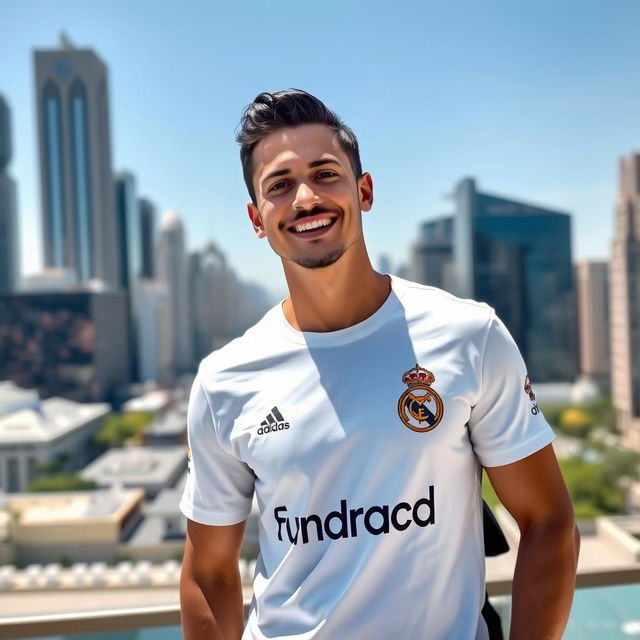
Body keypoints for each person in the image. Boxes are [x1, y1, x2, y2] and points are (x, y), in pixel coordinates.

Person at [179, 89, 579, 640]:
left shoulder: (469, 334)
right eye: (279, 185)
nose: (305, 197)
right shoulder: (225, 380)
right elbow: (208, 572)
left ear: (363, 190)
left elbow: (549, 522)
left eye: (325, 174)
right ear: (257, 218)